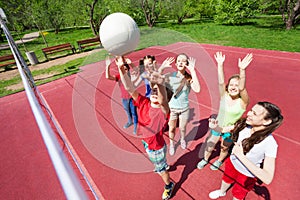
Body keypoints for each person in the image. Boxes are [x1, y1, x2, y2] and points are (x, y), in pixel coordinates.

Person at [115, 56, 175, 200]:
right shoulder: (143, 102)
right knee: (157, 163)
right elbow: (129, 88)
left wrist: (160, 83)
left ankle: (168, 185)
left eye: (158, 92)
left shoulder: (163, 111)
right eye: (153, 90)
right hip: (146, 142)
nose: (155, 93)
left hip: (156, 148)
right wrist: (121, 70)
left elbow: (162, 100)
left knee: (161, 169)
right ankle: (161, 167)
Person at [208, 101, 283, 200]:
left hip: (247, 175)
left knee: (239, 193)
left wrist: (241, 156)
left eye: (254, 113)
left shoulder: (270, 143)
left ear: (267, 121)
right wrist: (214, 127)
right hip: (232, 163)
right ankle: (222, 192)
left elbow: (267, 178)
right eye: (251, 110)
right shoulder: (244, 125)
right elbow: (222, 130)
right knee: (226, 179)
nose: (248, 113)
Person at [197, 52, 253, 170]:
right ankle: (205, 159)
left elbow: (242, 88)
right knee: (210, 144)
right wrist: (220, 65)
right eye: (231, 84)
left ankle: (219, 160)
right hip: (218, 126)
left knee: (224, 147)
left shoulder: (243, 102)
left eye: (236, 85)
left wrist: (242, 70)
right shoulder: (224, 95)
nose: (233, 87)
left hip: (231, 129)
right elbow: (221, 82)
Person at [166, 53, 201, 156]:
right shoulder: (170, 76)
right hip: (172, 108)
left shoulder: (189, 78)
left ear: (187, 63)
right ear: (176, 64)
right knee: (171, 128)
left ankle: (182, 139)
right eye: (179, 61)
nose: (181, 62)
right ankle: (172, 144)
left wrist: (193, 70)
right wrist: (163, 67)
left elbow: (197, 89)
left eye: (184, 60)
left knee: (182, 128)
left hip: (184, 108)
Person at [105, 58, 138, 134]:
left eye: (126, 69)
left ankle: (136, 126)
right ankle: (130, 121)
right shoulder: (119, 76)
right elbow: (108, 77)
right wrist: (107, 66)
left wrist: (131, 63)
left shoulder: (131, 75)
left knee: (134, 112)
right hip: (124, 98)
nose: (124, 71)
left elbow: (136, 71)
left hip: (132, 98)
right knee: (127, 111)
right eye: (123, 69)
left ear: (128, 70)